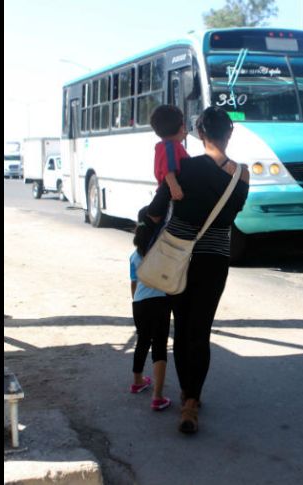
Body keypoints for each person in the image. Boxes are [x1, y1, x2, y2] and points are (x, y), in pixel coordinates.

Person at [148, 106, 250, 434]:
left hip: (178, 257)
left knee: (182, 328)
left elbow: (155, 210)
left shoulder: (183, 169)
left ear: (200, 133)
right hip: (215, 259)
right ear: (229, 134)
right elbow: (230, 215)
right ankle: (193, 400)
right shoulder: (242, 175)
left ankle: (185, 397)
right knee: (201, 331)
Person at [129, 206, 172, 411]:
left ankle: (137, 381)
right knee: (160, 346)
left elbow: (133, 283)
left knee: (142, 340)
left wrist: (136, 301)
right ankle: (157, 396)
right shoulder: (161, 252)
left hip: (138, 303)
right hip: (160, 301)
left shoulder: (134, 256)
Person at [150, 105, 189, 201]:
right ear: (181, 127)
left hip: (164, 192)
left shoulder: (164, 146)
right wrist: (174, 186)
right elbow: (168, 169)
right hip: (169, 193)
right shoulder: (171, 147)